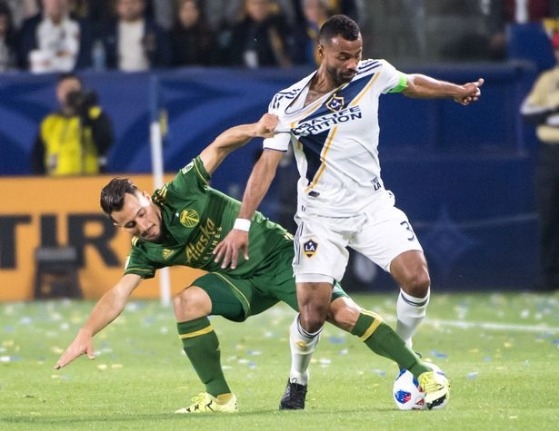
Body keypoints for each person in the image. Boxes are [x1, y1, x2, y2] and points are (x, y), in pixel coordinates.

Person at [54, 113, 450, 413]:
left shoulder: (180, 191)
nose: (143, 226)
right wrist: (86, 332)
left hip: (279, 258)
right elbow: (119, 293)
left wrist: (256, 130)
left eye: (141, 213)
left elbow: (219, 145)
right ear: (119, 227)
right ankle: (219, 397)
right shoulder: (145, 250)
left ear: (146, 197)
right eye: (130, 225)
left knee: (342, 314)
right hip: (238, 283)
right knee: (186, 303)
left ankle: (420, 371)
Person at [214, 14, 482, 395]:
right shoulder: (288, 104)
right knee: (312, 314)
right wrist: (242, 224)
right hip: (320, 217)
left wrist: (455, 90)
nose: (352, 64)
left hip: (372, 205)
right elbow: (266, 167)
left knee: (418, 278)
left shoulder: (374, 74)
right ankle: (298, 378)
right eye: (343, 56)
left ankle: (405, 358)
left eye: (357, 54)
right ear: (321, 52)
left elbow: (412, 84)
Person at [521, 31, 559, 291]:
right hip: (551, 154)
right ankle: (550, 277)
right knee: (549, 216)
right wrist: (552, 110)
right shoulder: (548, 80)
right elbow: (527, 113)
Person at [31, 72, 114, 176]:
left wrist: (86, 114)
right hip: (56, 181)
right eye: (65, 89)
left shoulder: (95, 115)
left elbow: (105, 141)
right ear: (58, 93)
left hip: (89, 179)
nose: (70, 92)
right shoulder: (50, 122)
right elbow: (37, 157)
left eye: (73, 88)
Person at [17, 0, 92, 73]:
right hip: (40, 80)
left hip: (75, 79)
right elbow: (23, 62)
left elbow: (87, 61)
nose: (56, 2)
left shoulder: (83, 27)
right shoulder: (28, 28)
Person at [170, 0, 218, 67]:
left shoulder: (207, 36)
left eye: (192, 9)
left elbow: (213, 63)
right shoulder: (171, 37)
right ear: (178, 13)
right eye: (185, 10)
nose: (189, 13)